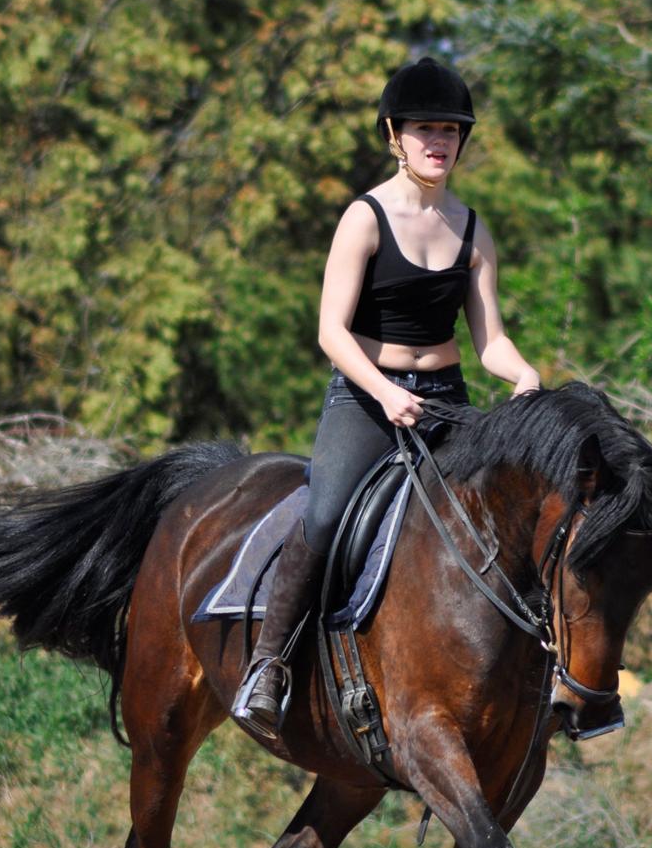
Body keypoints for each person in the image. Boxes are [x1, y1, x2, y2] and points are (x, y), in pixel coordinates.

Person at [232, 55, 542, 740]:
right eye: (424, 129)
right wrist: (382, 391)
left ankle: (537, 676)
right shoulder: (364, 217)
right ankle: (268, 665)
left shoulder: (471, 228)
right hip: (365, 398)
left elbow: (489, 340)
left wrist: (524, 377)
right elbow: (330, 332)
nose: (438, 141)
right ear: (393, 137)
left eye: (451, 131)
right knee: (328, 508)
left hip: (447, 396)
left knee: (511, 510)